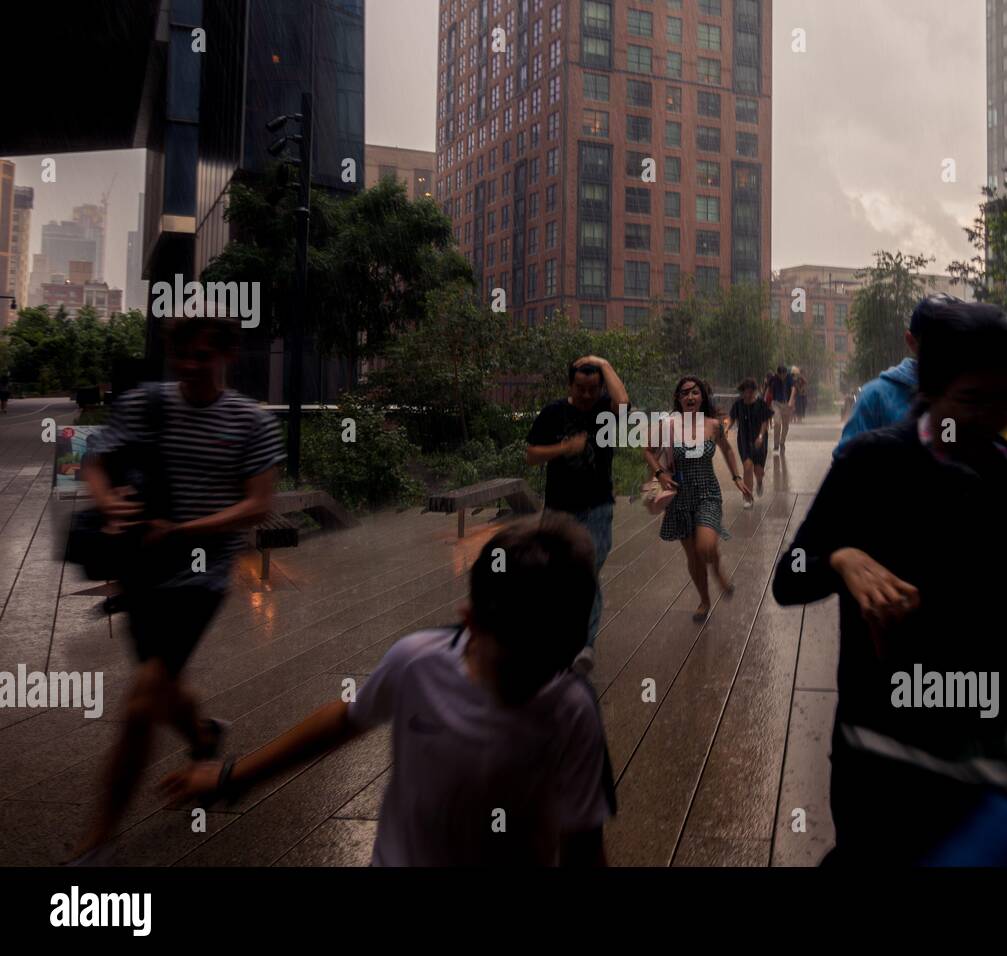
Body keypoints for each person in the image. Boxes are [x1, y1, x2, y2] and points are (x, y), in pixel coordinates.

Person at [773, 304, 1007, 866]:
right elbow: (791, 579)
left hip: (997, 734)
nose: (991, 418)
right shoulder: (873, 462)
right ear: (929, 391)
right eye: (973, 399)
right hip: (884, 739)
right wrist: (842, 556)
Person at [161, 516, 617, 866]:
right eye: (517, 664)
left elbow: (583, 846)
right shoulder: (417, 662)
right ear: (471, 621)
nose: (530, 683)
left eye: (548, 669)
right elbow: (345, 719)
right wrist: (233, 776)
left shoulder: (572, 709)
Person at [71, 314, 283, 863]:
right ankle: (205, 733)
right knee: (163, 682)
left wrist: (184, 530)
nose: (189, 365)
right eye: (181, 354)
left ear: (227, 356)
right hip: (142, 566)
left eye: (202, 355)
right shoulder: (147, 402)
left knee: (143, 698)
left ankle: (100, 839)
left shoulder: (251, 421)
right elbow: (93, 458)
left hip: (202, 571)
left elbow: (258, 505)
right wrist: (106, 500)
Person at [525, 356, 630, 675]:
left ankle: (584, 645)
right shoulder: (553, 413)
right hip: (558, 509)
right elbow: (531, 454)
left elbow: (623, 403)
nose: (587, 395)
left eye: (593, 389)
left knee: (586, 571)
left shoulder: (604, 413)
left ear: (600, 389)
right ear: (570, 385)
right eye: (581, 388)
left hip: (597, 507)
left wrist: (603, 362)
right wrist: (564, 448)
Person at [645, 376, 752, 621]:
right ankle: (704, 600)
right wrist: (660, 474)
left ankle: (717, 570)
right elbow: (648, 451)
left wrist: (736, 477)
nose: (690, 397)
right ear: (678, 399)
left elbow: (725, 448)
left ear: (702, 396)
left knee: (705, 546)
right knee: (692, 555)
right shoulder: (669, 426)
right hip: (679, 496)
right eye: (684, 393)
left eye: (694, 392)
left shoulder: (713, 425)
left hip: (708, 493)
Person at [835, 293, 962, 458]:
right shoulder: (875, 397)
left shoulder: (972, 396)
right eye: (938, 342)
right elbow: (847, 464)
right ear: (911, 341)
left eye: (957, 341)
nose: (948, 351)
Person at [727, 378, 774, 506]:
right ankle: (748, 497)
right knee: (747, 467)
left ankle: (759, 482)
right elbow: (731, 418)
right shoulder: (738, 405)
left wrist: (760, 436)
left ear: (754, 391)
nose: (747, 395)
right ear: (742, 392)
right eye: (745, 392)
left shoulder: (761, 404)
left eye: (750, 392)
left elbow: (765, 422)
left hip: (759, 441)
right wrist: (726, 429)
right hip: (744, 440)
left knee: (758, 471)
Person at [770, 365, 793, 454]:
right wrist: (765, 401)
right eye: (781, 374)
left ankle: (782, 442)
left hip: (786, 404)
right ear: (778, 374)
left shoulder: (789, 378)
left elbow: (793, 388)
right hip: (776, 403)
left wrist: (791, 402)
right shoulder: (774, 379)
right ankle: (776, 444)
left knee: (786, 426)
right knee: (777, 423)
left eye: (785, 374)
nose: (783, 376)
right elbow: (767, 388)